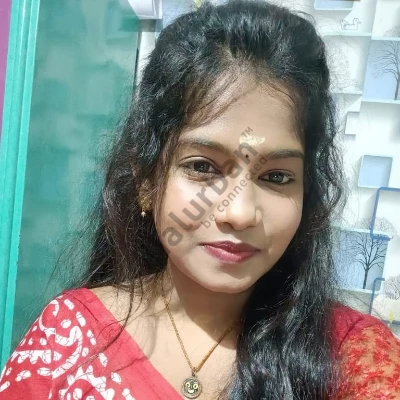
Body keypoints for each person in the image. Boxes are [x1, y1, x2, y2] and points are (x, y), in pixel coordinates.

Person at [1, 1, 399, 399]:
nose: (239, 213)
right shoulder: (66, 340)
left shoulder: (355, 356)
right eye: (203, 167)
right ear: (146, 180)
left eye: (277, 176)